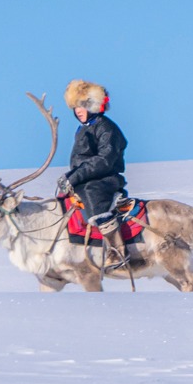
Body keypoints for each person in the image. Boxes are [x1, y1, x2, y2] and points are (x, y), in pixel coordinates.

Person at [58, 79, 130, 269]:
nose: (78, 110)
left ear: (94, 106)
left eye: (82, 105)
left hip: (104, 180)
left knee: (92, 194)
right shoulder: (84, 128)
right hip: (85, 179)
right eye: (75, 107)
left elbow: (104, 160)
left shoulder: (107, 128)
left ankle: (117, 250)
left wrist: (75, 176)